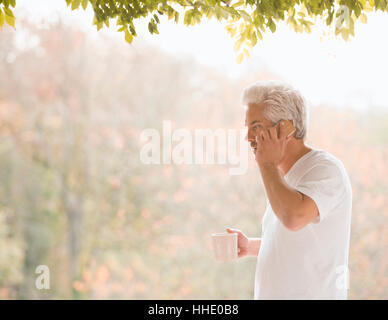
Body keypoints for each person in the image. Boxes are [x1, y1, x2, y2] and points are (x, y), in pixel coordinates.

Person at [227, 81, 352, 300]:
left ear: (285, 128)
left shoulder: (325, 168)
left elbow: (293, 218)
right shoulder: (286, 178)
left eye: (255, 127)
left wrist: (266, 165)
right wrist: (250, 246)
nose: (248, 137)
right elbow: (293, 243)